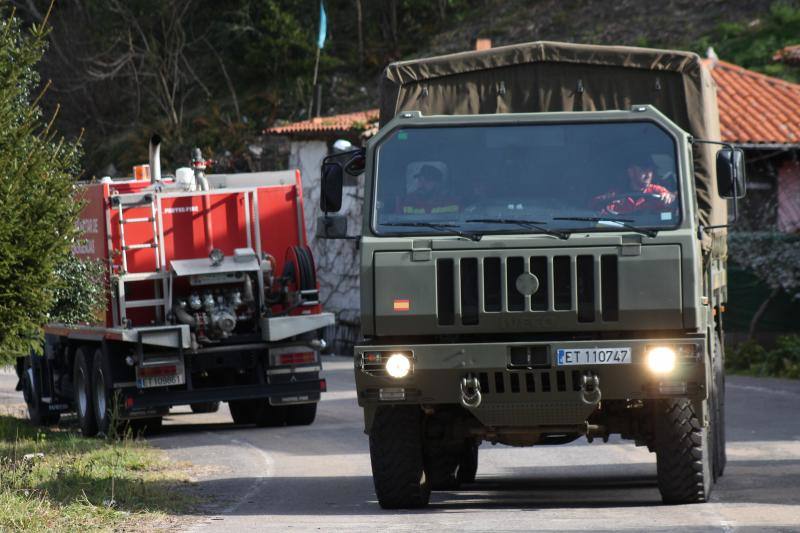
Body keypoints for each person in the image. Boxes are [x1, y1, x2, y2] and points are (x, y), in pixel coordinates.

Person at [592, 156, 676, 215]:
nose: (648, 174)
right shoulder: (615, 194)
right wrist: (605, 201)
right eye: (643, 170)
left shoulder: (657, 190)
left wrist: (669, 197)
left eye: (650, 170)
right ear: (631, 172)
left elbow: (671, 197)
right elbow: (595, 207)